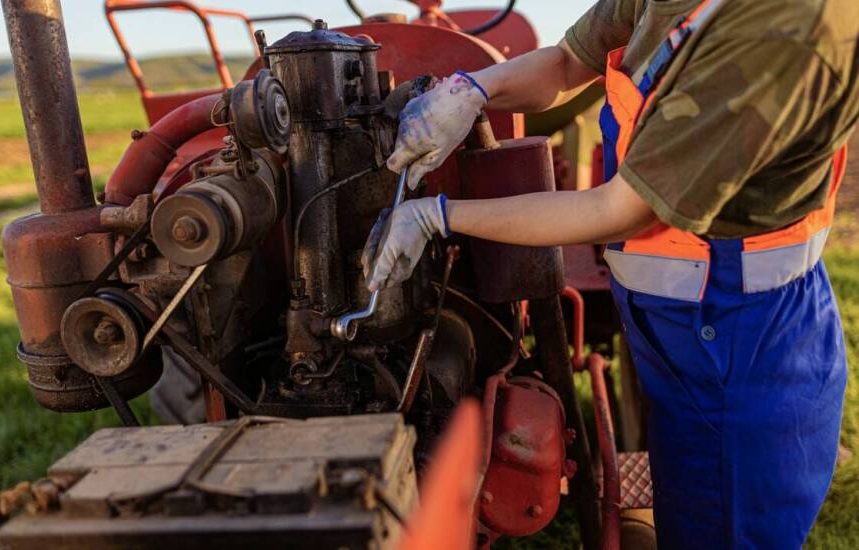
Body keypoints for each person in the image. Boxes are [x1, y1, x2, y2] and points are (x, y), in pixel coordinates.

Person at [362, 0, 859, 547]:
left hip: (738, 340)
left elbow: (616, 209)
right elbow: (567, 62)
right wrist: (471, 89)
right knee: (686, 506)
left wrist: (441, 217)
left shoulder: (781, 28)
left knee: (723, 524)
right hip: (680, 328)